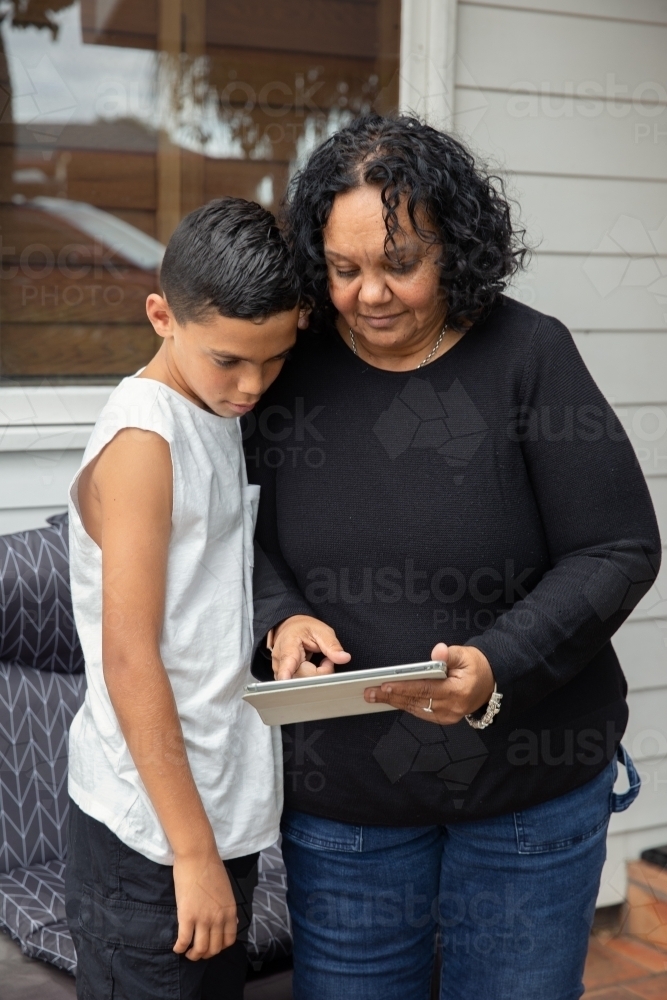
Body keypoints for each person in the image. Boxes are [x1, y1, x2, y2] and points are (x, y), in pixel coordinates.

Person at [245, 116, 661, 1000]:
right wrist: (278, 615)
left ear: (458, 245)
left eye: (401, 263)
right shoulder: (286, 365)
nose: (370, 295)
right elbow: (235, 534)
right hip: (346, 801)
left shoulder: (528, 355)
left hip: (526, 793)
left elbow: (616, 546)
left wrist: (494, 665)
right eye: (344, 268)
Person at [65, 198, 300, 1000]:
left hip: (206, 809)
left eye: (273, 360)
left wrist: (284, 617)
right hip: (152, 839)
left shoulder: (209, 409)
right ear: (161, 316)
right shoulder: (144, 444)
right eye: (230, 360)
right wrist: (193, 853)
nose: (252, 386)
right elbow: (130, 660)